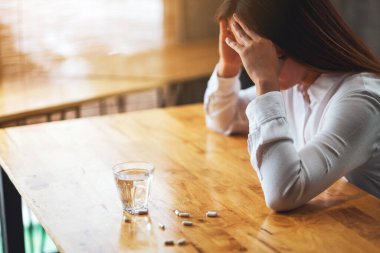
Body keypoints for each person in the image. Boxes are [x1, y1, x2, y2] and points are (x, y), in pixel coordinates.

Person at [204, 0, 380, 211]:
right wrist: (229, 65)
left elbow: (283, 192)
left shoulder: (360, 99)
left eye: (254, 49)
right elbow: (225, 118)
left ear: (289, 44)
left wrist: (265, 82)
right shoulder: (297, 83)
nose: (250, 59)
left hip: (366, 236)